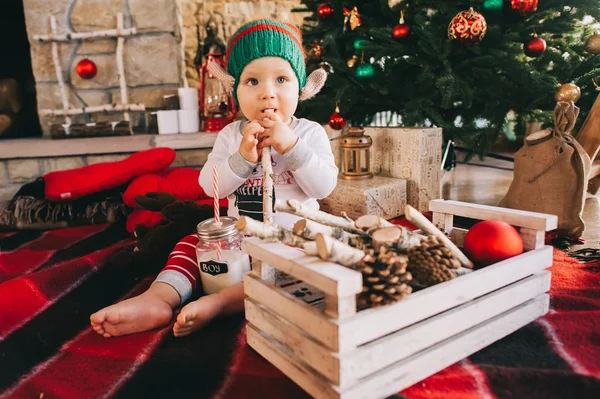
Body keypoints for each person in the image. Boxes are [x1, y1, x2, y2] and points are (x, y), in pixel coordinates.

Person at [90, 19, 338, 338]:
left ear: (302, 87)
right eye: (252, 81)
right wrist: (242, 158)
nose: (267, 94)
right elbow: (210, 186)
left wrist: (290, 145)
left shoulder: (309, 132)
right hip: (240, 239)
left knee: (296, 270)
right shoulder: (231, 135)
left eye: (281, 79)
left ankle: (221, 303)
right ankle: (158, 298)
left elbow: (323, 186)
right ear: (235, 90)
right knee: (192, 245)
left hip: (294, 241)